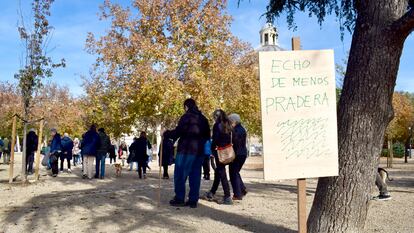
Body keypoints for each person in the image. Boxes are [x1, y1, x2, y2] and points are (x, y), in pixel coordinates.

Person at [169, 98, 211, 208]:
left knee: (180, 175)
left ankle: (179, 198)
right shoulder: (203, 119)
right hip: (199, 151)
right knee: (195, 176)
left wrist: (167, 134)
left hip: (186, 150)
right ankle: (193, 200)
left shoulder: (186, 117)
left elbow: (178, 132)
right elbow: (208, 135)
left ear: (186, 107)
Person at [204, 109, 233, 205]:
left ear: (216, 116)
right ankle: (212, 192)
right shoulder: (228, 124)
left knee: (222, 173)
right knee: (218, 172)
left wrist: (212, 149)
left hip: (220, 151)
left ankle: (227, 196)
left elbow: (215, 138)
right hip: (228, 150)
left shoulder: (217, 125)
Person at [228, 113, 248, 200]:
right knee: (236, 172)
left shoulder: (235, 130)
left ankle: (237, 194)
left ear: (233, 121)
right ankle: (242, 189)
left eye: (230, 121)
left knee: (233, 174)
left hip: (237, 154)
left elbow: (235, 143)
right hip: (243, 153)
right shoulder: (242, 128)